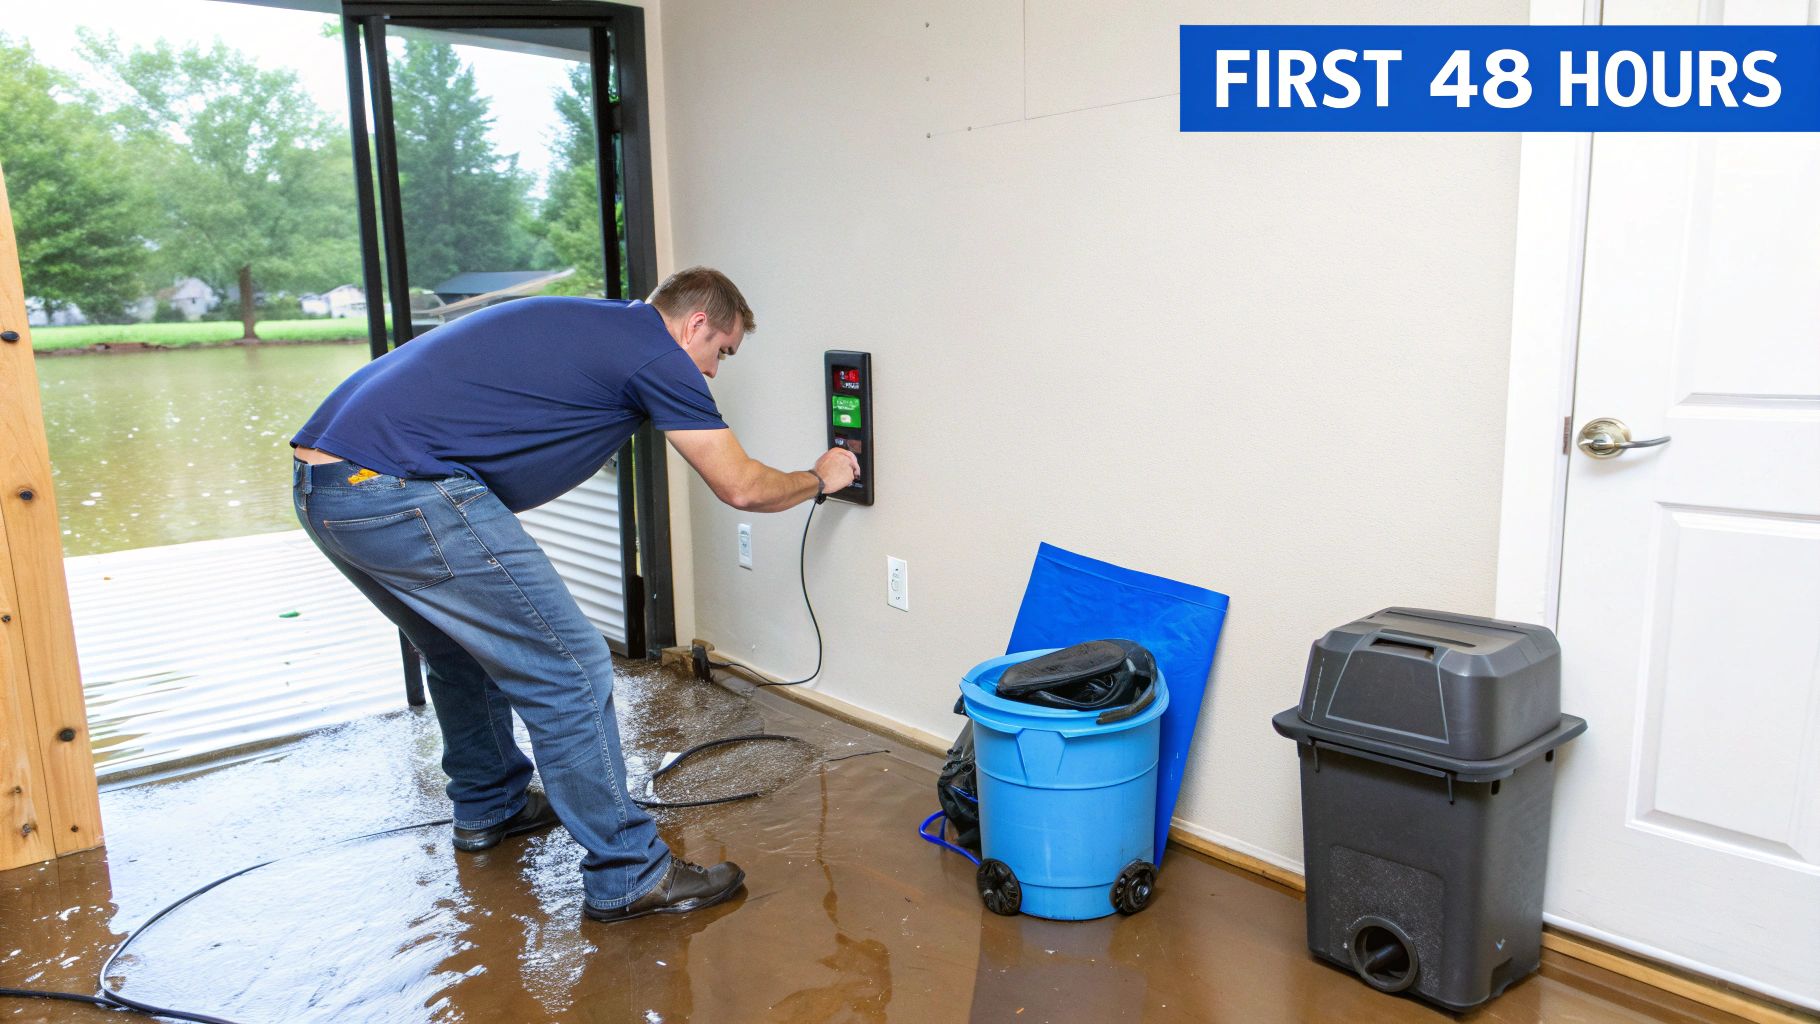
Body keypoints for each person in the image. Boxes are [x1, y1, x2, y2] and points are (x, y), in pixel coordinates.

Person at [288, 267, 858, 923]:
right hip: (397, 489)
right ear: (695, 324)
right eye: (720, 352)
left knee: (456, 652)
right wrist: (819, 477)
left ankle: (490, 805)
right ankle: (629, 874)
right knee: (573, 667)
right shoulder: (653, 349)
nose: (713, 371)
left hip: (326, 490)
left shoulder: (594, 328)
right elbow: (742, 487)